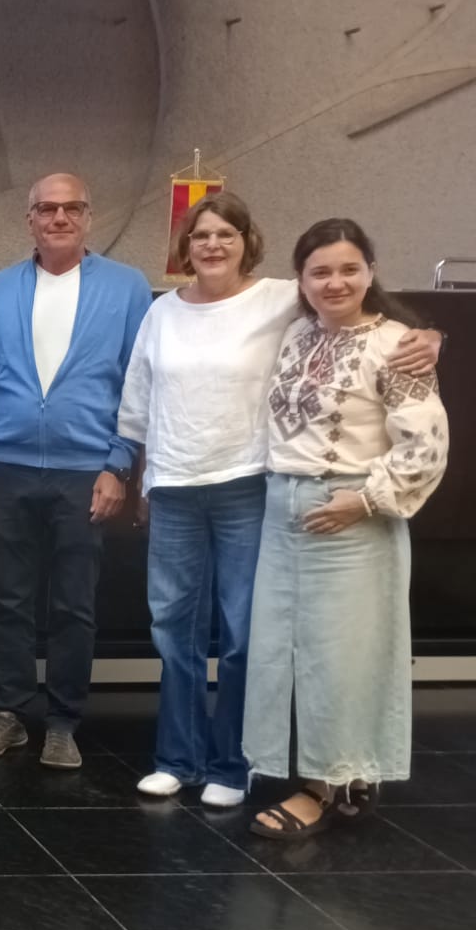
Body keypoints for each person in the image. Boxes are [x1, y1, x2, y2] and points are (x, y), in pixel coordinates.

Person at [119, 195, 443, 807]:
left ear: (248, 242)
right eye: (201, 235)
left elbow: (365, 314)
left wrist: (430, 336)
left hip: (248, 486)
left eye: (226, 233)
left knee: (246, 634)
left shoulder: (278, 300)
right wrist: (143, 481)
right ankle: (177, 759)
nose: (213, 245)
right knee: (173, 629)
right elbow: (141, 402)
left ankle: (231, 765)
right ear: (185, 246)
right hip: (178, 486)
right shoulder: (165, 312)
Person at [244, 219, 447, 839]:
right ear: (300, 280)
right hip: (282, 506)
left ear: (371, 272)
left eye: (349, 269)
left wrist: (364, 500)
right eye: (321, 272)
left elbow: (426, 446)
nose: (335, 283)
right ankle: (342, 769)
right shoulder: (296, 332)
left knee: (343, 655)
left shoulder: (396, 346)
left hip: (349, 510)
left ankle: (323, 787)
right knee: (284, 650)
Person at [0, 173, 151, 770]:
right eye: (47, 209)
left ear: (88, 217)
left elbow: (138, 384)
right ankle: (9, 714)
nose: (59, 218)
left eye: (72, 208)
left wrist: (119, 465)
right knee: (9, 598)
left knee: (73, 603)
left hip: (86, 470)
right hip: (5, 467)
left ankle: (63, 721)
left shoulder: (127, 288)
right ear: (30, 219)